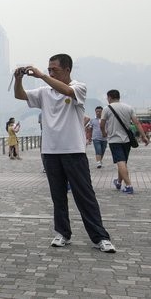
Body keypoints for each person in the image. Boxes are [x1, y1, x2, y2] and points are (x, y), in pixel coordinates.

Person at [13, 53, 116, 253]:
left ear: (67, 70)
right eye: (49, 69)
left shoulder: (79, 87)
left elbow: (67, 91)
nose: (50, 72)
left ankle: (100, 237)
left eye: (54, 70)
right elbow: (20, 95)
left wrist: (42, 75)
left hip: (73, 151)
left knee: (85, 195)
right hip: (50, 152)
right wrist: (18, 79)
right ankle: (62, 233)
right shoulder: (44, 92)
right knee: (58, 196)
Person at [100, 89, 150, 194]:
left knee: (120, 162)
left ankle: (129, 185)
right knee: (123, 162)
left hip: (114, 140)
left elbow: (102, 124)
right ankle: (118, 182)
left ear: (109, 97)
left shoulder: (107, 109)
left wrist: (104, 133)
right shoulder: (128, 107)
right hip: (127, 140)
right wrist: (144, 136)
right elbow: (136, 123)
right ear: (119, 97)